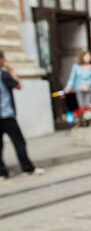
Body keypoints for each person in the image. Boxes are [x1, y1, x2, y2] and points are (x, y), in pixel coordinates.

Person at [0, 51, 44, 179]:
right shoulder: (4, 75)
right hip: (7, 115)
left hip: (5, 115)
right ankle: (27, 168)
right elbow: (19, 86)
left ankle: (2, 172)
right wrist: (13, 73)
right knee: (19, 142)